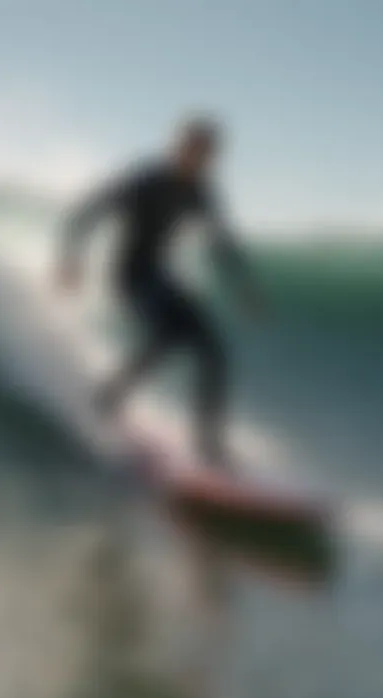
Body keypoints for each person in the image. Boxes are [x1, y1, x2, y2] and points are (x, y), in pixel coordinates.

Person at [56, 116, 262, 471]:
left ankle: (208, 443)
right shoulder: (146, 180)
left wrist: (244, 286)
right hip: (129, 276)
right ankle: (109, 397)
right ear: (178, 147)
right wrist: (72, 257)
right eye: (193, 149)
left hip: (161, 276)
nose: (199, 159)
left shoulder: (200, 191)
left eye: (207, 154)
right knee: (167, 336)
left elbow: (220, 243)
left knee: (213, 350)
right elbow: (88, 211)